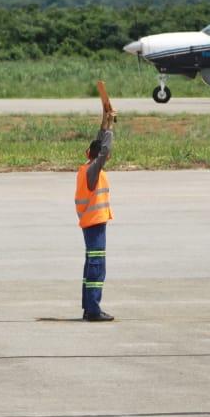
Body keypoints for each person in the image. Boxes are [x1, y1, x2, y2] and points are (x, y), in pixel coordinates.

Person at [74, 108, 116, 322]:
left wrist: (105, 122)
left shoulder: (87, 167)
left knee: (92, 264)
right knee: (97, 267)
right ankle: (92, 310)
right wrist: (111, 130)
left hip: (91, 224)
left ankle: (89, 306)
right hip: (94, 224)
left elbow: (99, 145)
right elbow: (104, 147)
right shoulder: (93, 171)